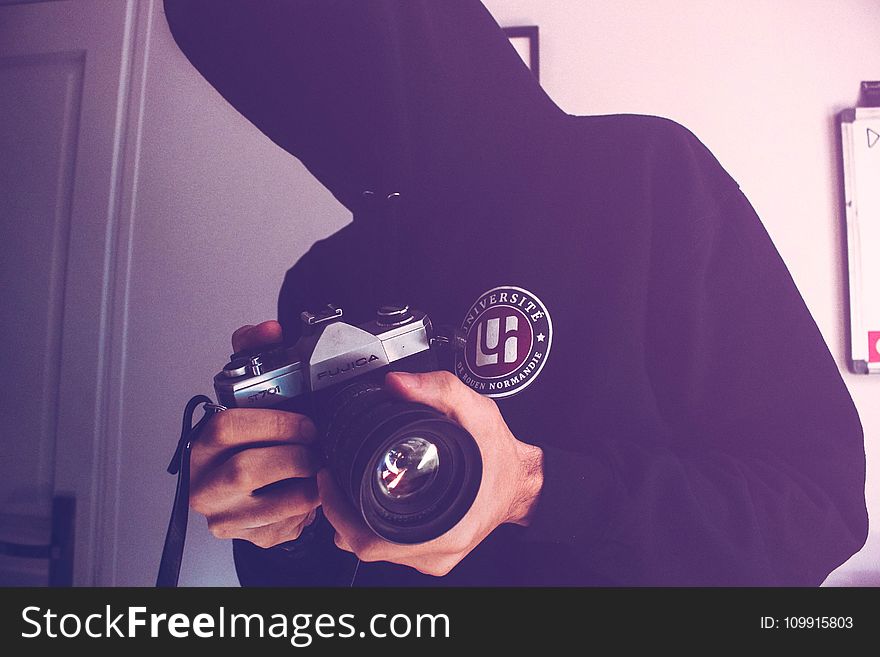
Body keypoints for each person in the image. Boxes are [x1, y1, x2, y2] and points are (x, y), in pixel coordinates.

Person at [163, 0, 868, 585]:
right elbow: (316, 589)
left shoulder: (648, 178)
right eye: (274, 74)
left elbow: (818, 511)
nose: (316, 92)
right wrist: (272, 527)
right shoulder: (320, 283)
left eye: (322, 39)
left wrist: (535, 489)